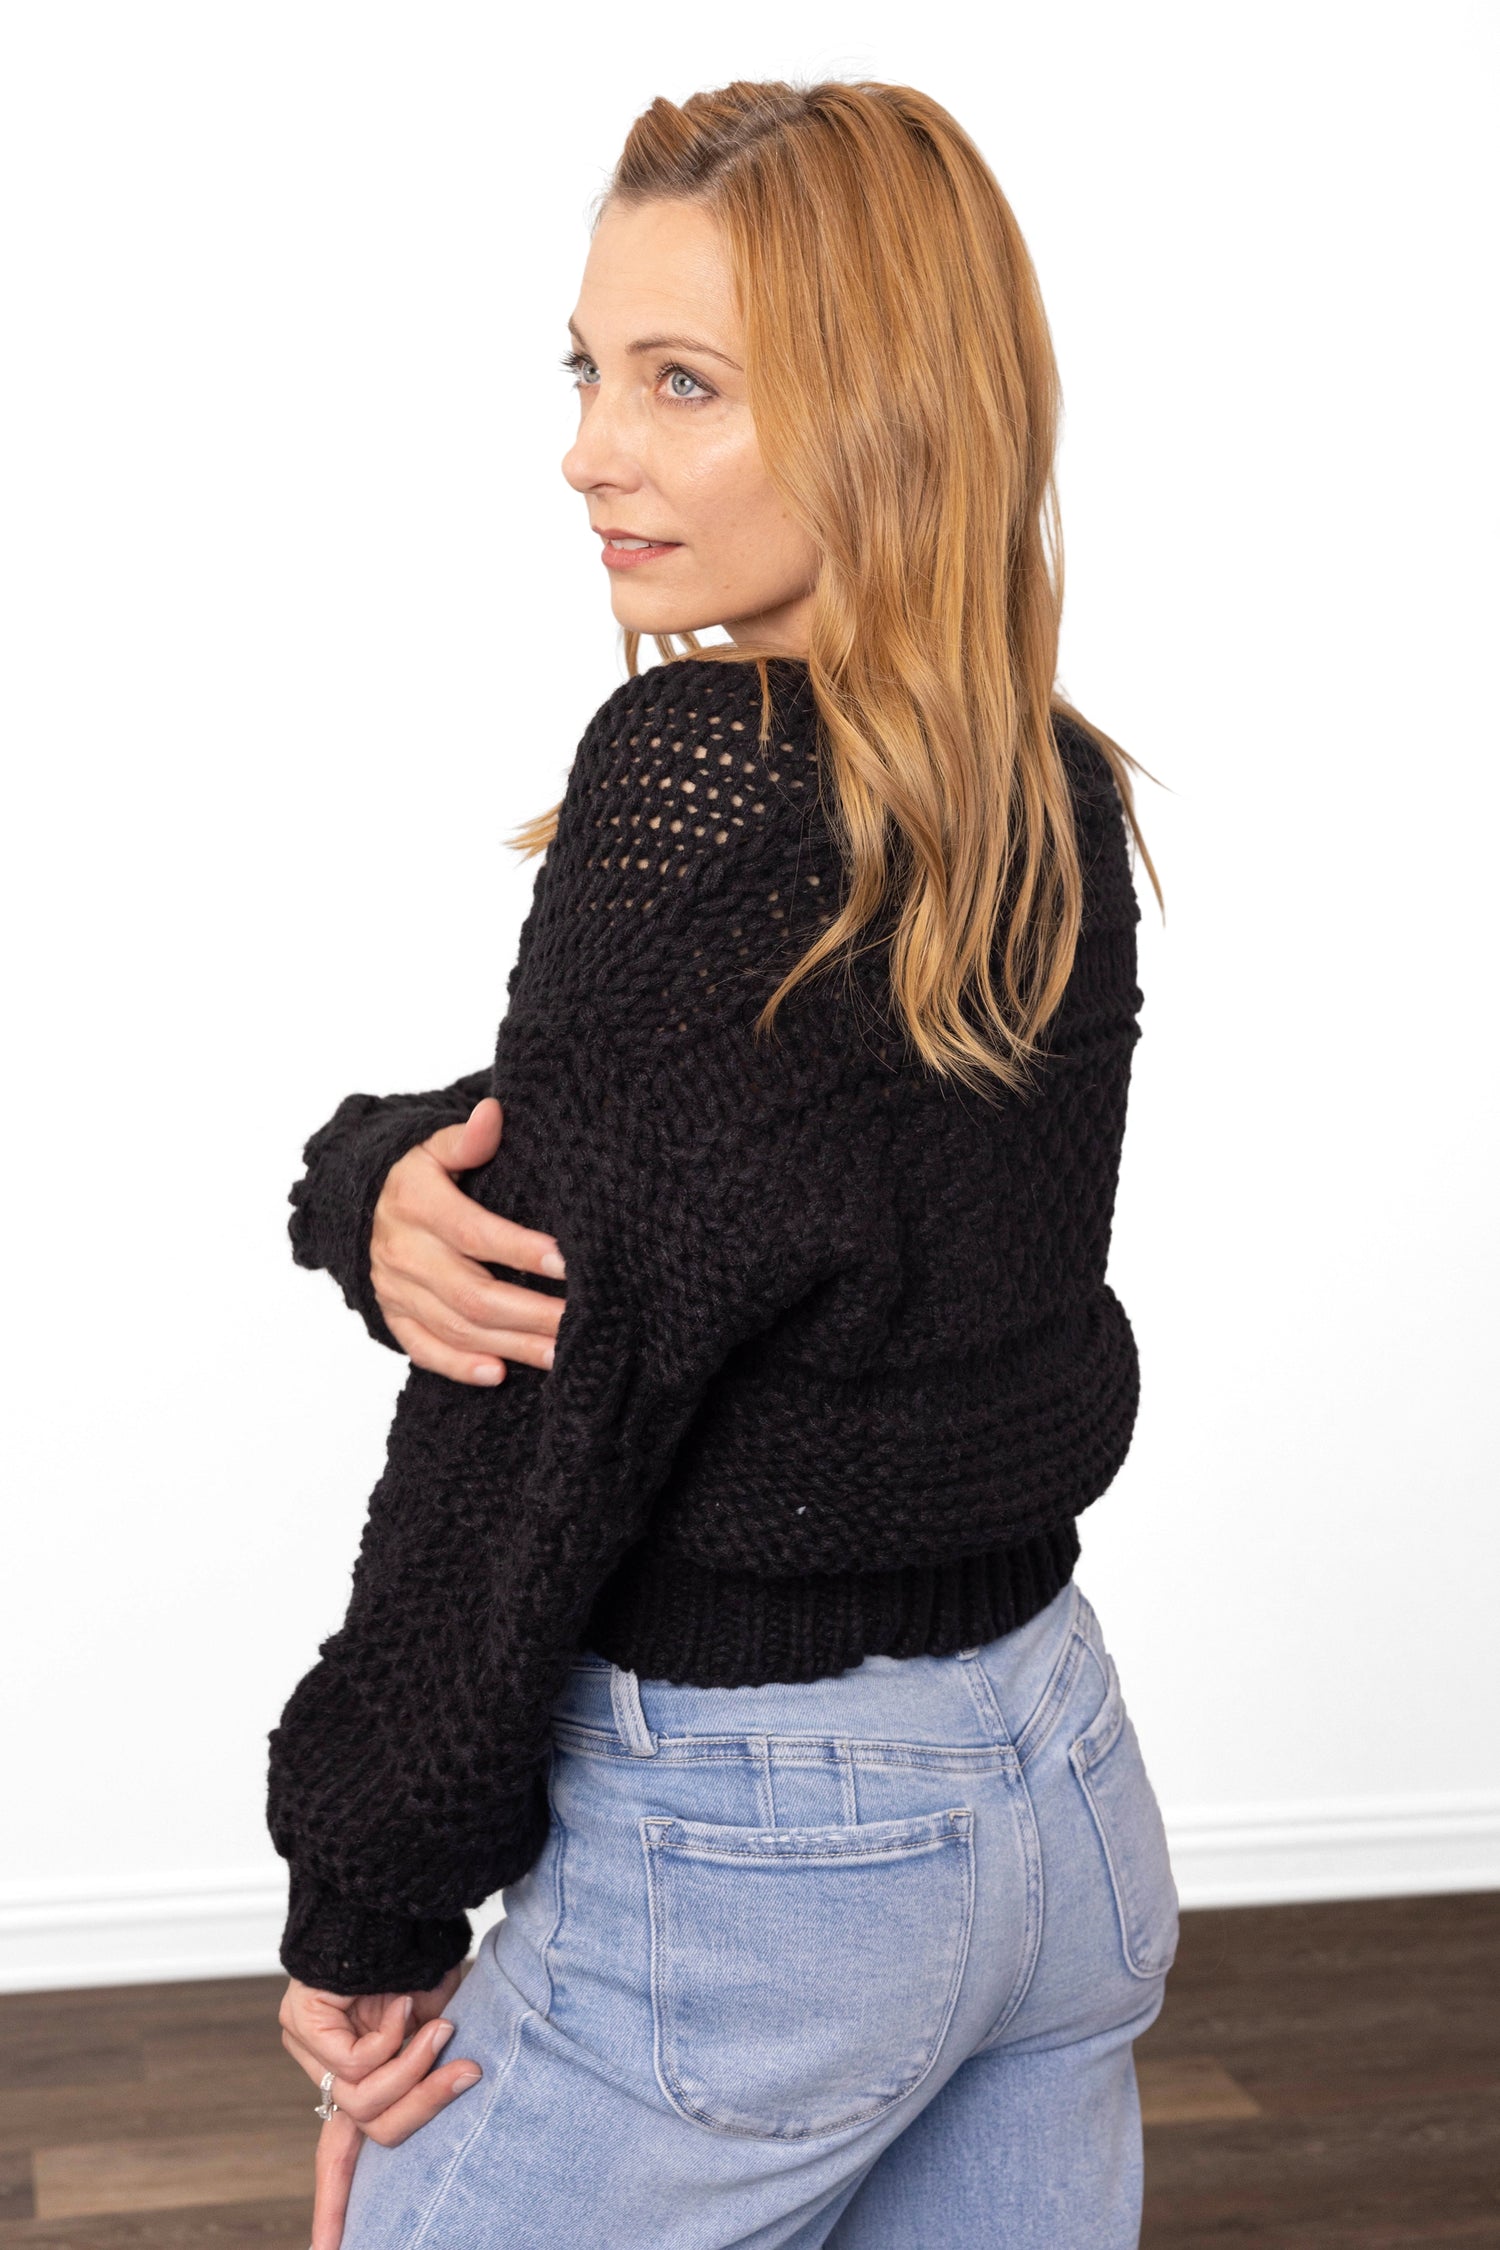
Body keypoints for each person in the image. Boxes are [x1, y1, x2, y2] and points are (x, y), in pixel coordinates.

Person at [269, 75, 1176, 2250]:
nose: (593, 448)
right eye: (588, 371)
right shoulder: (1042, 788)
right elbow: (712, 1171)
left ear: (892, 414)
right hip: (1056, 1790)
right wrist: (376, 1176)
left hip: (771, 1859)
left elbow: (543, 1392)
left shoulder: (691, 773)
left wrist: (370, 1896)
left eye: (683, 383)